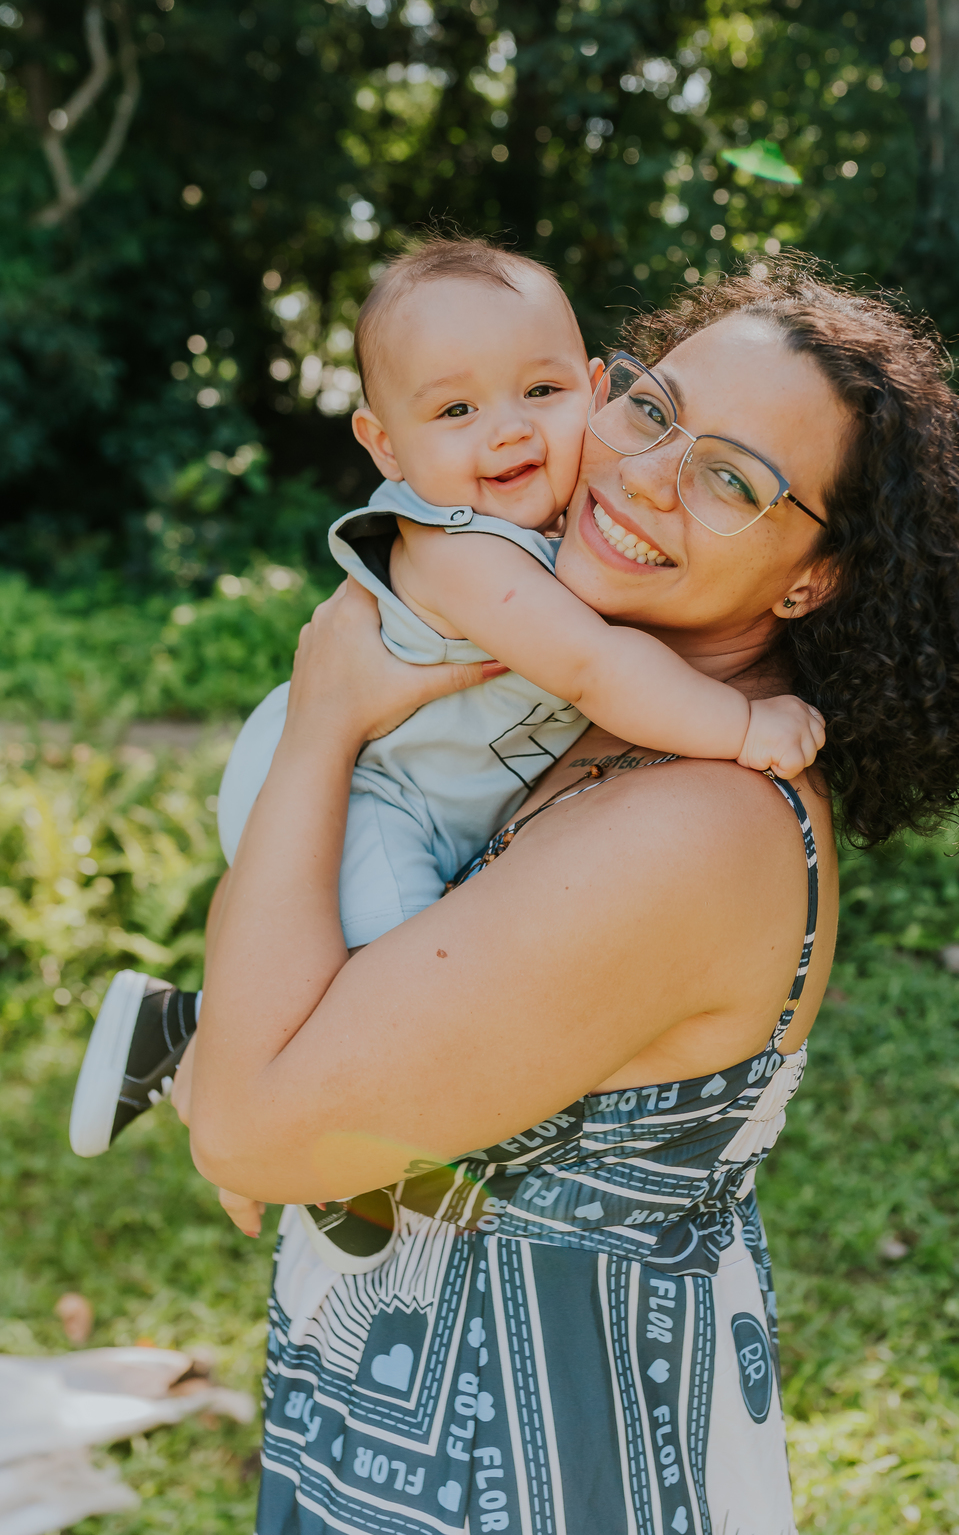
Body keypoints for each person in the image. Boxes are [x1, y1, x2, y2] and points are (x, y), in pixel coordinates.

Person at [182, 257, 959, 1534]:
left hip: (531, 1476)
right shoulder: (576, 712)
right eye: (651, 409)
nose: (644, 474)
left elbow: (250, 1134)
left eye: (734, 477)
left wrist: (321, 724)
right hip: (408, 1433)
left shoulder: (696, 821)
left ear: (812, 578)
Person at [67, 239, 825, 1209]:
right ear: (386, 446)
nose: (506, 433)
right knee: (396, 968)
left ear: (589, 390)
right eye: (457, 410)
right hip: (367, 786)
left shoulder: (568, 535)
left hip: (411, 784)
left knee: (383, 980)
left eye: (540, 393)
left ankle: (188, 1039)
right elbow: (594, 668)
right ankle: (328, 1159)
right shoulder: (459, 545)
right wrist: (741, 725)